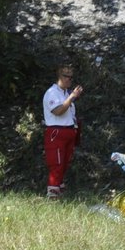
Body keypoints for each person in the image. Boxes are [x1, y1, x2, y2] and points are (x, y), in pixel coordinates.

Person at [42, 64, 82, 199]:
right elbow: (58, 111)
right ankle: (52, 195)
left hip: (69, 131)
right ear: (59, 76)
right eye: (66, 76)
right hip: (56, 132)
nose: (69, 79)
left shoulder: (64, 93)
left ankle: (59, 191)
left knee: (64, 163)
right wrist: (71, 97)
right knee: (56, 163)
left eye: (71, 77)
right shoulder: (52, 93)